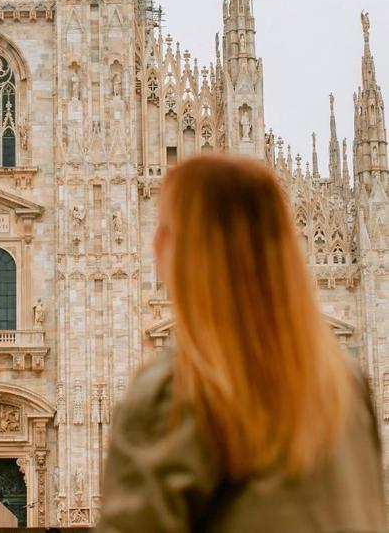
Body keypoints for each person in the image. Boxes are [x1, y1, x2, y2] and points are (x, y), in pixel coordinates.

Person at [96, 155, 386, 531]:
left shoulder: (176, 393)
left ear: (186, 252)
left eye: (164, 228)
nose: (154, 242)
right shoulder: (347, 384)